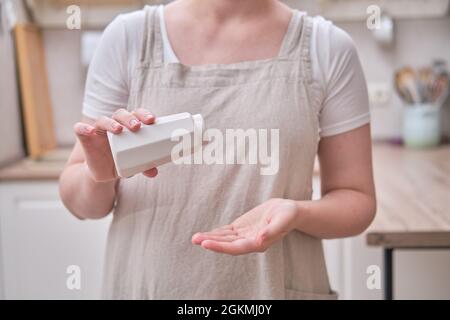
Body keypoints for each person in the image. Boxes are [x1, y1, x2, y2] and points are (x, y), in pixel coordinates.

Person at [59, 0, 376, 299]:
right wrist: (97, 173)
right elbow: (83, 203)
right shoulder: (128, 38)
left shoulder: (327, 48)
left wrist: (297, 213)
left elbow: (357, 200)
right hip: (147, 287)